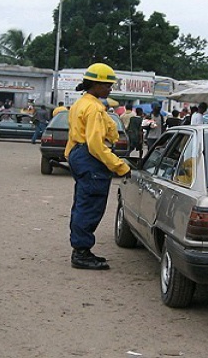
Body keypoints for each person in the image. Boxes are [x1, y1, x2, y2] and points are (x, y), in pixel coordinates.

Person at [65, 62, 130, 270]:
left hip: (79, 155)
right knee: (90, 206)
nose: (110, 88)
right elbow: (95, 145)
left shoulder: (82, 103)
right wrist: (120, 167)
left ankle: (81, 249)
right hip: (90, 157)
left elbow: (76, 136)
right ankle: (81, 253)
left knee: (82, 204)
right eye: (107, 85)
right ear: (96, 84)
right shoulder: (93, 108)